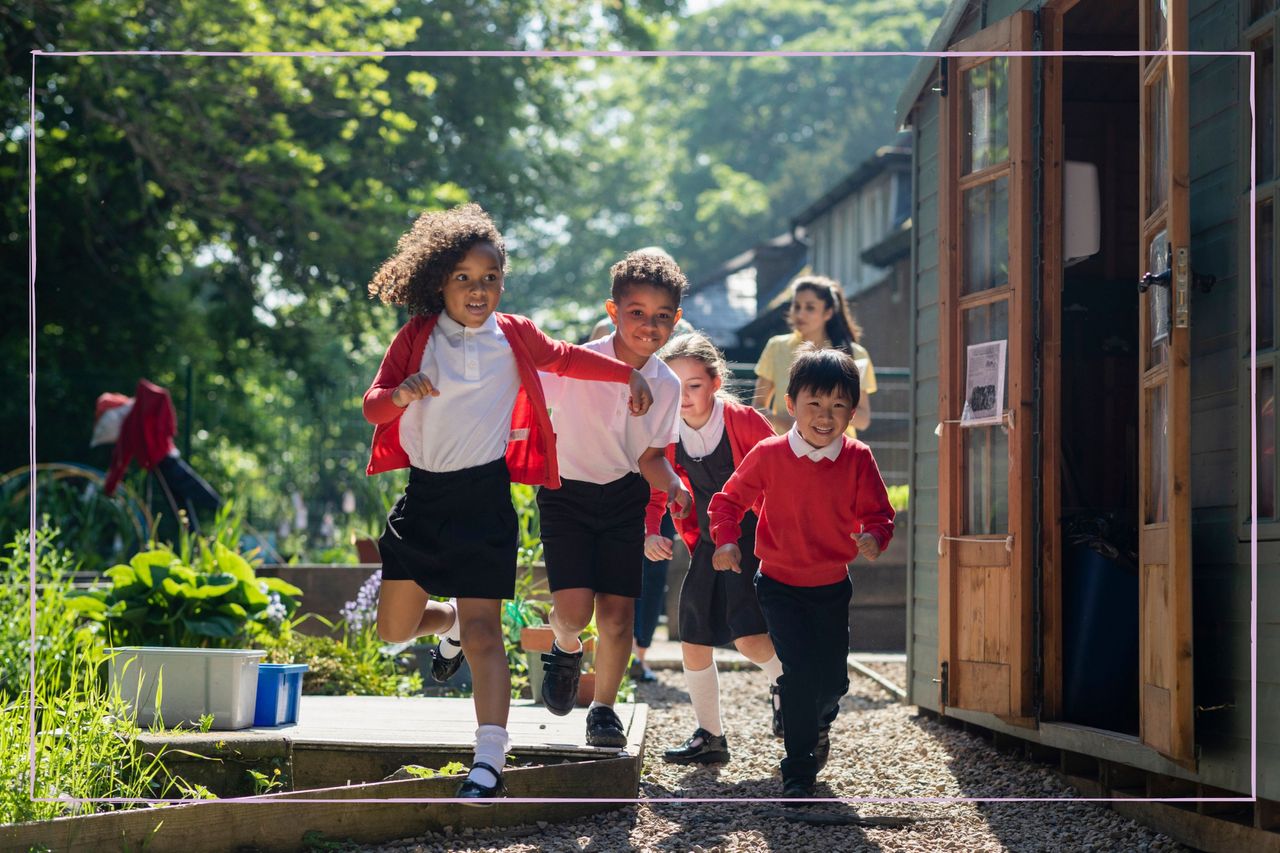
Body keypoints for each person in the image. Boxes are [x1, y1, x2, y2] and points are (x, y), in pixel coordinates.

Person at [362, 203, 654, 803]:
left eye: (490, 278)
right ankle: (443, 627)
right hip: (423, 501)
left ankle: (489, 762)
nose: (478, 289)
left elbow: (568, 358)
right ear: (439, 280)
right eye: (464, 277)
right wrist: (398, 394)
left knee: (487, 634)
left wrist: (627, 374)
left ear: (503, 283)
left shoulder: (514, 335)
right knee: (392, 630)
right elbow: (372, 406)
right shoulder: (416, 336)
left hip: (485, 501)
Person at [708, 345, 894, 801]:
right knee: (798, 673)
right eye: (814, 403)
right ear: (791, 404)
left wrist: (874, 536)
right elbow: (727, 501)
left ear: (852, 410)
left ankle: (818, 724)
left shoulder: (858, 458)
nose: (825, 416)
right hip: (778, 584)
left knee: (833, 681)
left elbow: (880, 513)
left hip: (831, 586)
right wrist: (727, 539)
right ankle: (797, 770)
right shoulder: (769, 454)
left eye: (838, 406)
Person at [537, 249, 691, 748]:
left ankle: (603, 709)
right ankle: (564, 646)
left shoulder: (667, 385)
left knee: (619, 614)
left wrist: (673, 484)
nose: (650, 325)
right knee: (575, 614)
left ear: (676, 320)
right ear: (613, 312)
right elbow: (529, 409)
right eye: (637, 313)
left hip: (624, 496)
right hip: (565, 492)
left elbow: (651, 457)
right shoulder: (577, 363)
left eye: (662, 316)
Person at [643, 333, 785, 765]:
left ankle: (791, 684)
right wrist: (652, 530)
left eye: (695, 386)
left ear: (716, 381)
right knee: (693, 630)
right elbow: (653, 486)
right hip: (708, 539)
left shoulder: (742, 421)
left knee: (747, 636)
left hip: (753, 535)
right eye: (674, 386)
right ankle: (710, 736)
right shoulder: (665, 430)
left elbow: (780, 477)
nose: (683, 397)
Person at [753, 275, 877, 438]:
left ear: (828, 312)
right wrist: (784, 421)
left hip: (838, 452)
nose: (800, 314)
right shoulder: (776, 347)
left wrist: (825, 415)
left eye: (810, 308)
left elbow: (863, 419)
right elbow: (758, 406)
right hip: (788, 448)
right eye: (796, 306)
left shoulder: (855, 354)